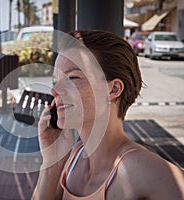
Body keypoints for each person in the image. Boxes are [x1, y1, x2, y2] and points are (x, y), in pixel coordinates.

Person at [32, 30, 184, 200]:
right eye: (55, 80)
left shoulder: (142, 169)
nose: (55, 90)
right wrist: (51, 162)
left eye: (72, 78)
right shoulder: (73, 158)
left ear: (114, 89)